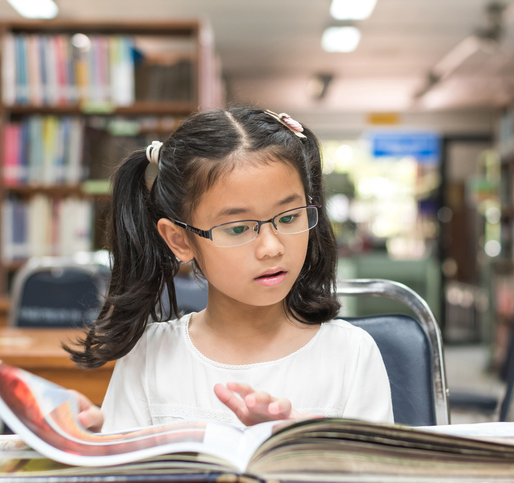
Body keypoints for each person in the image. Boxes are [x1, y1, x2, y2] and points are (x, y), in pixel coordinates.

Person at [66, 107, 393, 432]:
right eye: (238, 228)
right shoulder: (150, 355)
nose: (272, 247)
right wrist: (89, 452)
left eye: (290, 217)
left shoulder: (351, 354)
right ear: (180, 240)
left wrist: (312, 449)